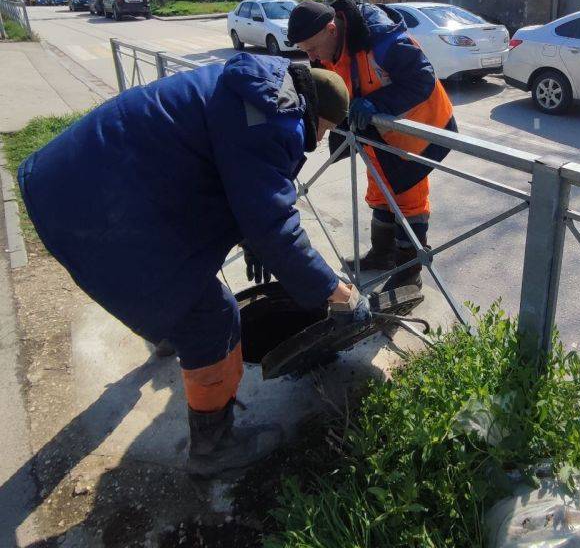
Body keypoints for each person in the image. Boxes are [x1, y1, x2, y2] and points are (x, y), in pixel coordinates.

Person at [17, 53, 370, 478]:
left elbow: (230, 176)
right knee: (210, 318)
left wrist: (251, 233)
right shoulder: (278, 119)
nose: (319, 139)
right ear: (318, 114)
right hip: (99, 206)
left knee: (185, 287)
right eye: (327, 129)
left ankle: (172, 332)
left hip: (77, 179)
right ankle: (213, 446)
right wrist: (336, 290)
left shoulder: (255, 87)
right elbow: (275, 223)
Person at [287, 0, 457, 290]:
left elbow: (422, 80)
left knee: (408, 197)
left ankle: (409, 272)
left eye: (312, 48)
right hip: (375, 129)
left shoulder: (383, 38)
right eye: (304, 51)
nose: (311, 56)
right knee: (379, 188)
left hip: (415, 126)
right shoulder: (324, 47)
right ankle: (382, 254)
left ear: (331, 29)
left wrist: (376, 103)